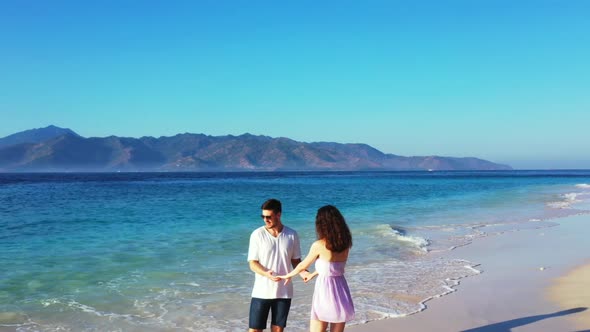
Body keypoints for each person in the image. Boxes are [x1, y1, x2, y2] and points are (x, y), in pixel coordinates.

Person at [278, 205, 354, 332]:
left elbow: (303, 265)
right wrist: (312, 274)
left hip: (325, 291)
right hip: (341, 289)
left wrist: (288, 275)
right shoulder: (346, 244)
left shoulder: (319, 245)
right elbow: (333, 268)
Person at [248, 198, 310, 332]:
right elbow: (252, 263)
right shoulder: (257, 235)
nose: (265, 219)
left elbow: (296, 261)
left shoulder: (292, 234)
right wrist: (266, 273)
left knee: (278, 330)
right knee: (254, 330)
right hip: (261, 291)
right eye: (263, 216)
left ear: (278, 215)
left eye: (268, 216)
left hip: (284, 291)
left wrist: (303, 273)